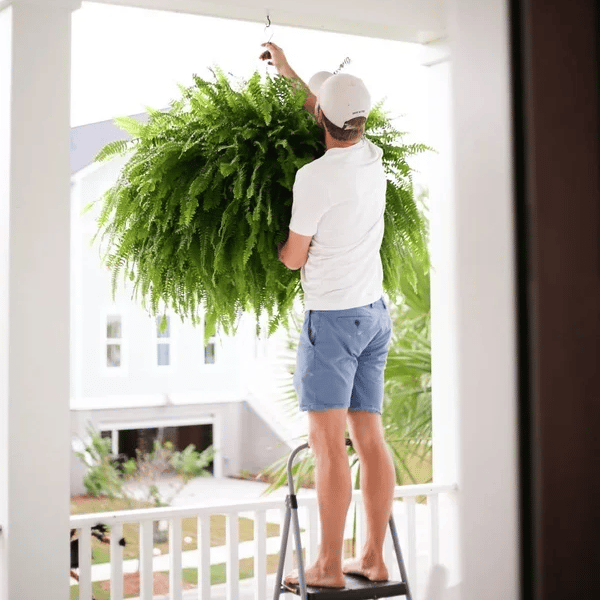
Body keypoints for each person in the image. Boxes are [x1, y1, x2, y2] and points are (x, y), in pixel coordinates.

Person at [260, 42, 396, 589]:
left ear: (321, 118)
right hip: (374, 315)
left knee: (327, 444)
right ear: (361, 121)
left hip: (333, 323)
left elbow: (294, 257)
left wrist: (270, 249)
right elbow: (328, 106)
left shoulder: (314, 178)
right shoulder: (373, 155)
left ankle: (325, 567)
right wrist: (289, 72)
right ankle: (374, 558)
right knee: (370, 438)